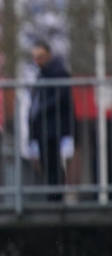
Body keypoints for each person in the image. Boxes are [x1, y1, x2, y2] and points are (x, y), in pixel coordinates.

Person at [27, 42, 76, 194]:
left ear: (49, 55)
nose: (37, 61)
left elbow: (61, 96)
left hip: (52, 126)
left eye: (40, 57)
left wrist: (41, 109)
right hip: (44, 126)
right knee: (47, 163)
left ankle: (55, 196)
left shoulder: (58, 72)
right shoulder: (42, 74)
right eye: (35, 58)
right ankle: (54, 194)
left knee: (52, 163)